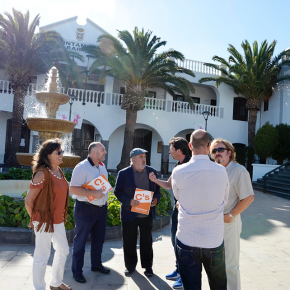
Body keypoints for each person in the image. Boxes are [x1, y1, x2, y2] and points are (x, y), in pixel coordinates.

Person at [172, 130, 229, 290]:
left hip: (187, 238)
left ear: (190, 146)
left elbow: (177, 197)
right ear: (209, 146)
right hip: (213, 239)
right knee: (218, 286)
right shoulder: (221, 171)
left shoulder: (178, 171)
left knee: (191, 287)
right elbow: (224, 200)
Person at [25, 138, 71, 290]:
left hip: (58, 220)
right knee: (42, 256)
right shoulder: (42, 174)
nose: (61, 154)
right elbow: (29, 200)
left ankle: (56, 283)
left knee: (63, 250)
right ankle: (39, 287)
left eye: (61, 151)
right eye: (58, 152)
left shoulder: (58, 171)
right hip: (44, 220)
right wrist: (34, 219)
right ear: (48, 155)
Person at [210, 138, 254, 290]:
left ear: (229, 152)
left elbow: (248, 197)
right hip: (211, 224)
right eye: (214, 151)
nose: (217, 153)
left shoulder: (239, 170)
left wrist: (231, 216)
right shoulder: (213, 169)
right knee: (215, 265)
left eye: (220, 150)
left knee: (230, 264)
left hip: (228, 223)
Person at [149, 137, 190, 289]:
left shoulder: (189, 166)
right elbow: (168, 185)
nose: (170, 151)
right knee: (175, 241)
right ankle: (178, 269)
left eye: (171, 148)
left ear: (179, 151)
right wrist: (155, 180)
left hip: (186, 211)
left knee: (184, 244)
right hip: (176, 210)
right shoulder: (178, 165)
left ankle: (183, 275)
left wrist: (184, 201)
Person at [114, 148, 161, 277]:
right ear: (133, 160)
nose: (144, 159)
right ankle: (130, 266)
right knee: (129, 241)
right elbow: (117, 191)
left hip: (147, 215)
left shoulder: (152, 172)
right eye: (140, 157)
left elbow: (158, 190)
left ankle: (148, 267)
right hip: (130, 214)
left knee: (147, 242)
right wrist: (129, 201)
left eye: (144, 156)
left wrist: (156, 199)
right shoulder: (124, 173)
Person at [70, 142, 110, 283]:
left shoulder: (102, 166)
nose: (105, 152)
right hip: (85, 209)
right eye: (102, 150)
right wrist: (93, 193)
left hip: (101, 209)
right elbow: (73, 189)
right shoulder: (81, 168)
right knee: (80, 241)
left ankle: (96, 265)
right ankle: (77, 271)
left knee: (99, 239)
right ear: (94, 153)